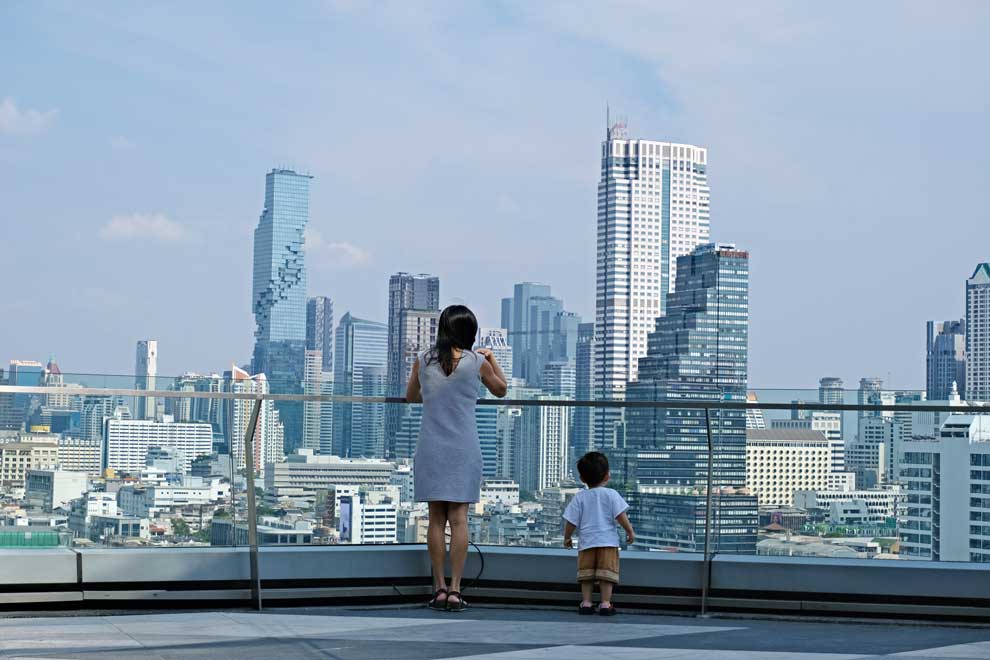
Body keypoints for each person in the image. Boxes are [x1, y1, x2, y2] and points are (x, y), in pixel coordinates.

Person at [406, 304, 508, 612]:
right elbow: (501, 390)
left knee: (435, 520)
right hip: (463, 448)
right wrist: (492, 359)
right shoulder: (476, 361)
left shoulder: (422, 360)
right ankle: (455, 589)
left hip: (430, 447)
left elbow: (412, 397)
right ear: (469, 333)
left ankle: (437, 587)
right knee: (459, 520)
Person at [562, 451, 634, 616]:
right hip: (608, 542)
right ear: (607, 476)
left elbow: (571, 521)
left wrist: (567, 538)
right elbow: (620, 516)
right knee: (606, 575)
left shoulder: (580, 497)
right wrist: (630, 531)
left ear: (582, 478)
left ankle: (586, 603)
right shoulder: (612, 495)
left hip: (587, 542)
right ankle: (605, 603)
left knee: (586, 575)